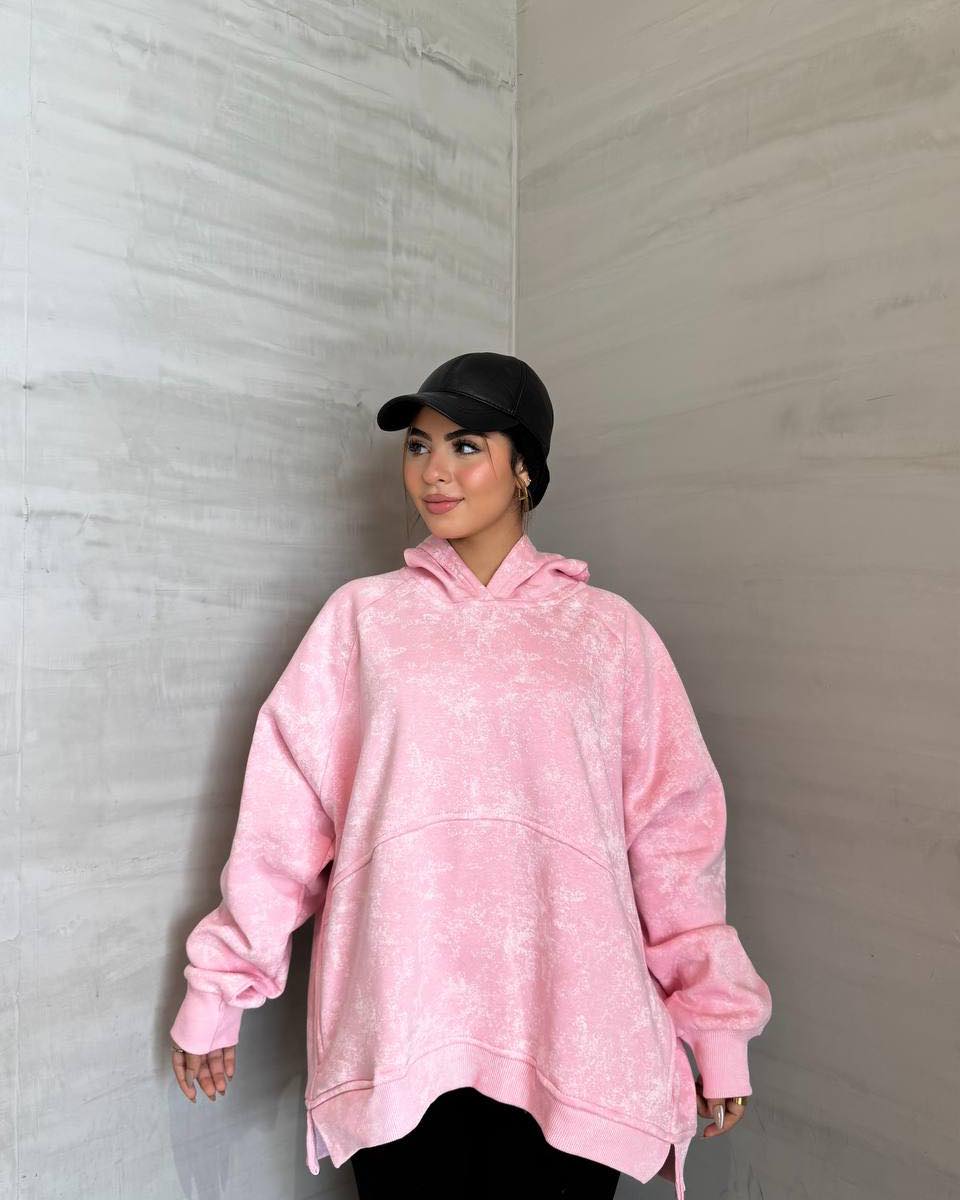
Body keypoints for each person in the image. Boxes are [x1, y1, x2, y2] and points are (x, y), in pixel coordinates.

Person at [170, 352, 773, 1200]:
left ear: (524, 468)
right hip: (401, 1024)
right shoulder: (363, 620)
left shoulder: (608, 636)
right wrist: (220, 989)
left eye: (465, 446)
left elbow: (677, 844)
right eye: (418, 446)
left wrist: (716, 1028)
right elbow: (286, 819)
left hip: (575, 1032)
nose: (433, 472)